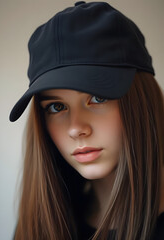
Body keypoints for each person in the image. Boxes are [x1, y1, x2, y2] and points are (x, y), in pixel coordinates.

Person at [10, 1, 164, 240]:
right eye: (56, 106)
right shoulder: (41, 224)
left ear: (142, 101)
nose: (75, 128)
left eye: (98, 97)